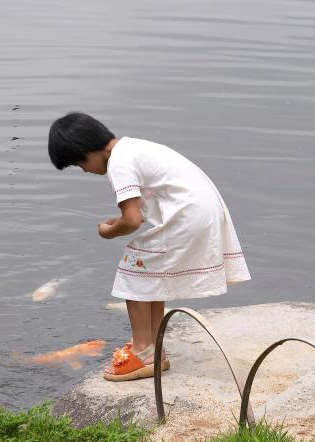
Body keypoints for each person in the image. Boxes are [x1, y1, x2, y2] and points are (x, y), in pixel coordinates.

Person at [47, 112, 250, 381]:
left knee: (134, 271)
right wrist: (120, 220)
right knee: (150, 274)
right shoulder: (132, 148)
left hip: (190, 215)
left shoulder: (118, 163)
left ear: (85, 150)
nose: (85, 170)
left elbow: (132, 221)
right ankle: (155, 348)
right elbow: (142, 208)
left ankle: (143, 352)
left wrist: (108, 231)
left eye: (78, 163)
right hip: (202, 210)